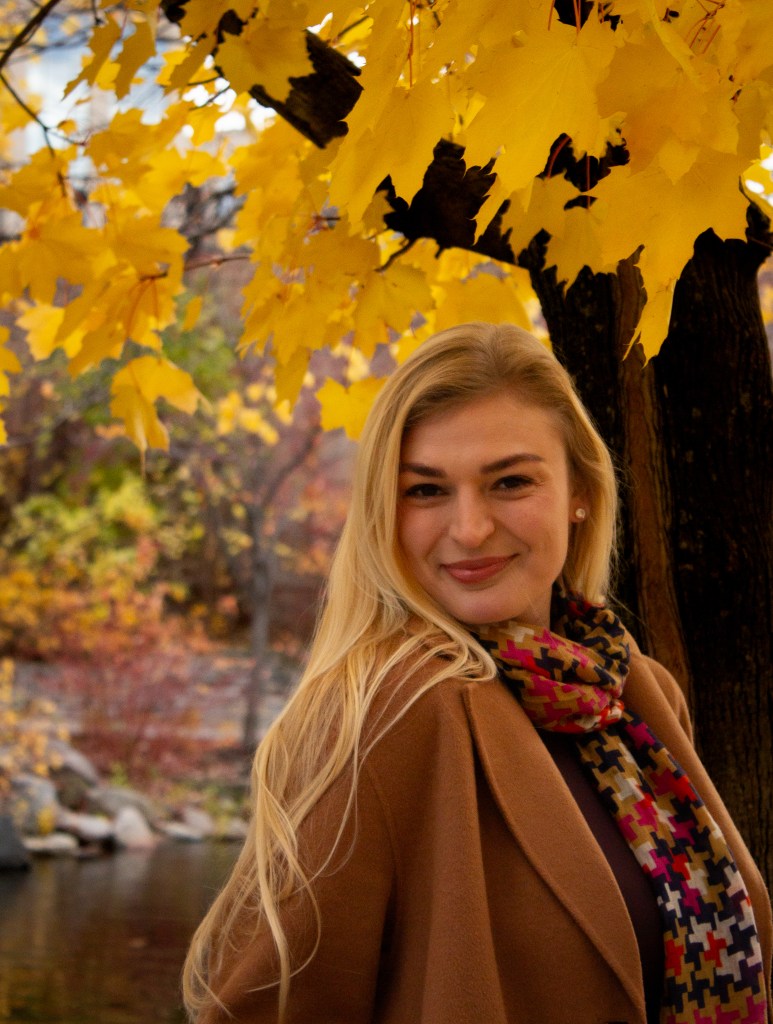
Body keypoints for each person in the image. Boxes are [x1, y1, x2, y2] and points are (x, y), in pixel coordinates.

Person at [183, 322, 772, 1024]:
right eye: (426, 491)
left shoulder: (635, 695)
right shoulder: (385, 711)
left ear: (580, 491)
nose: (469, 528)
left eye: (510, 482)